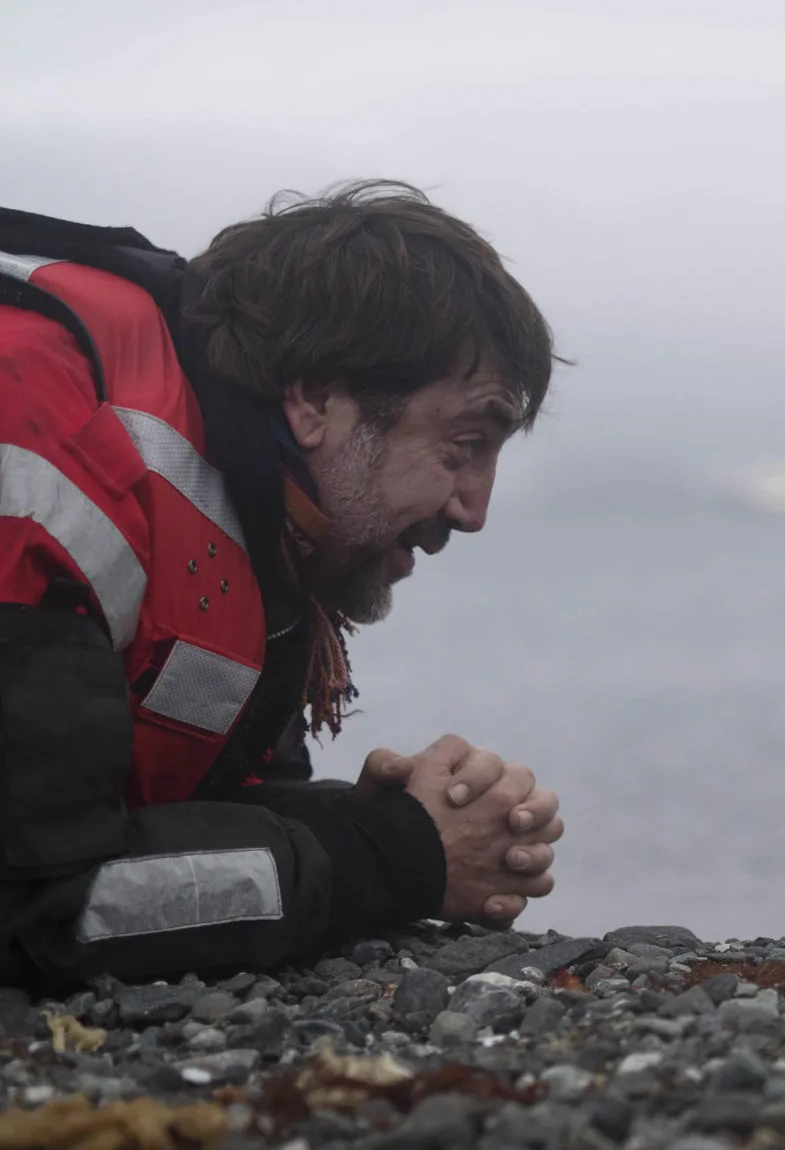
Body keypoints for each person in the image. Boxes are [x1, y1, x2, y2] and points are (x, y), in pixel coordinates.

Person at [0, 181, 565, 990]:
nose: (473, 510)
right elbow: (40, 904)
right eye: (464, 442)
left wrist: (381, 822)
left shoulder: (255, 519)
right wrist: (397, 856)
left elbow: (203, 807)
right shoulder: (37, 450)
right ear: (316, 399)